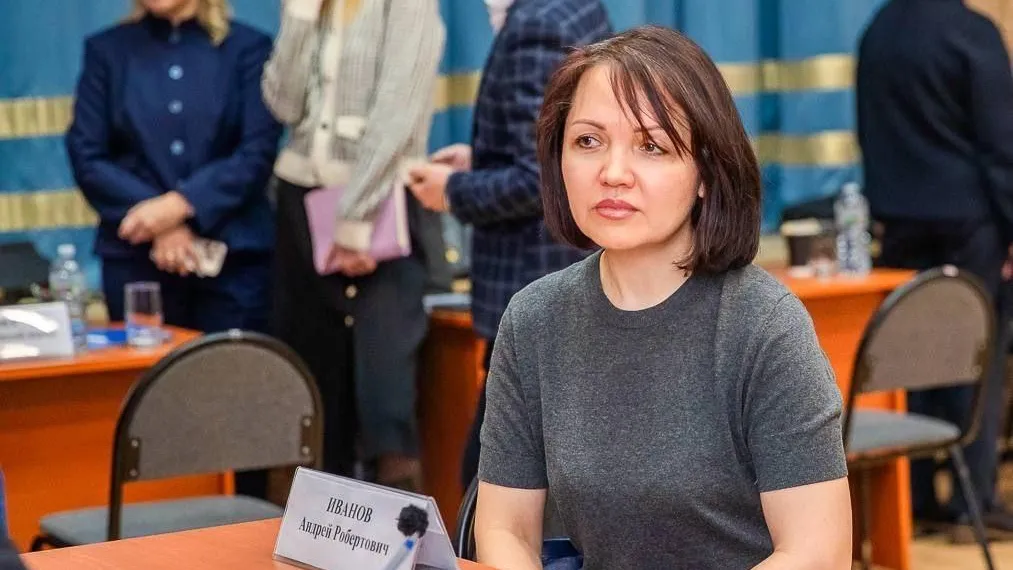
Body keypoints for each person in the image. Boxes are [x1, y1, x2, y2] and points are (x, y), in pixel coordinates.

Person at [473, 27, 853, 569]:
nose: (613, 174)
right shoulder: (534, 319)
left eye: (651, 146)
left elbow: (819, 552)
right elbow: (504, 527)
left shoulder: (763, 325)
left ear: (706, 172)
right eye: (588, 142)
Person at [65, 0, 281, 498]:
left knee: (236, 401)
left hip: (234, 263)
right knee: (154, 406)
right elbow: (87, 154)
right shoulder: (108, 51)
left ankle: (244, 519)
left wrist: (183, 205)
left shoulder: (248, 48)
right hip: (137, 261)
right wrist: (161, 222)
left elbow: (256, 151)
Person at [407, 0, 612, 490]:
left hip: (536, 282)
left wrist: (452, 191)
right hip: (568, 284)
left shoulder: (536, 26)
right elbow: (556, 142)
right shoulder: (572, 7)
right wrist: (481, 159)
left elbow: (540, 179)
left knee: (490, 479)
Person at [262, 0, 445, 489]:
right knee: (313, 397)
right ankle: (314, 533)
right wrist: (300, 16)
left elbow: (398, 112)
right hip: (302, 205)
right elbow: (282, 104)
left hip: (381, 207)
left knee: (385, 403)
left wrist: (355, 219)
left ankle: (400, 535)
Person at [857, 0, 1013, 538]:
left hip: (897, 219)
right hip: (969, 221)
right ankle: (974, 503)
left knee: (910, 355)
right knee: (976, 355)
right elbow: (1001, 146)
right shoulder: (971, 32)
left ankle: (914, 496)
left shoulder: (878, 30)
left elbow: (869, 132)